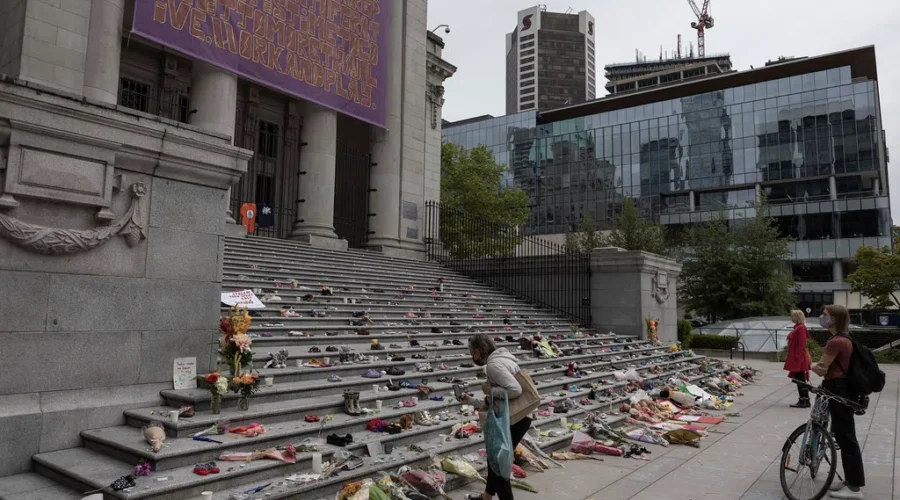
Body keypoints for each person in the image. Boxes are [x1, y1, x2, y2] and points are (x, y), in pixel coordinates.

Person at [460, 334, 532, 500]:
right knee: (496, 461)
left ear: (478, 351)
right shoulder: (502, 358)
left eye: (471, 352)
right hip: (520, 416)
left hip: (515, 418)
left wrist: (489, 391)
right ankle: (486, 497)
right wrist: (472, 401)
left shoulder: (493, 365)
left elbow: (514, 390)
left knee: (499, 465)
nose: (471, 356)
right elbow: (497, 401)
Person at [811, 304, 865, 499]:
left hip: (837, 390)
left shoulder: (836, 341)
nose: (821, 317)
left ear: (834, 318)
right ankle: (850, 481)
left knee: (846, 437)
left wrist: (810, 364)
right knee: (844, 435)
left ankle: (854, 488)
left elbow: (822, 368)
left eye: (825, 315)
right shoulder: (846, 337)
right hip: (843, 390)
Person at [784, 309, 812, 408]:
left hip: (798, 358)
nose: (791, 318)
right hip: (797, 357)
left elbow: (801, 345)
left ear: (797, 317)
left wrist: (799, 360)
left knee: (800, 379)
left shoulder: (801, 328)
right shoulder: (798, 327)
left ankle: (803, 400)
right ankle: (804, 400)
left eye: (792, 316)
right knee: (799, 379)